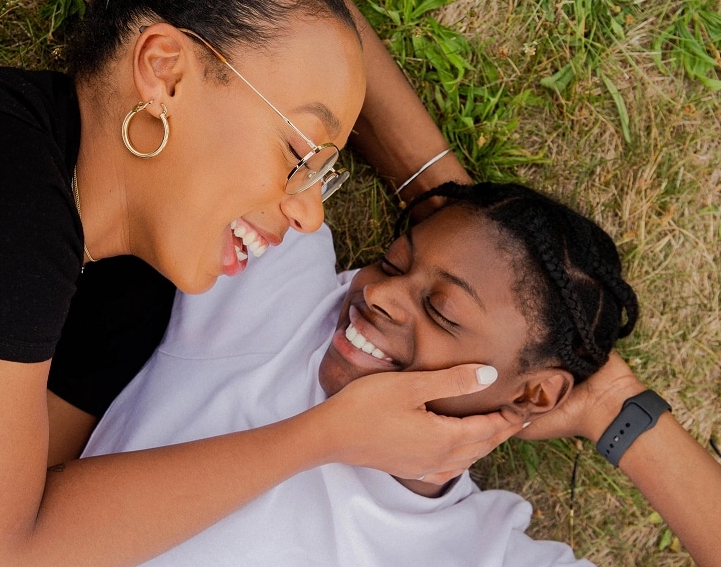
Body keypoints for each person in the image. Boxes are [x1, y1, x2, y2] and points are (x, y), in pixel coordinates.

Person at [0, 0, 519, 565]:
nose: (310, 214)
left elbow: (23, 522)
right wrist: (328, 436)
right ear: (165, 72)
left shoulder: (131, 295)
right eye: (299, 154)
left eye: (320, 178)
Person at [82, 181, 638, 566]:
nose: (379, 294)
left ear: (537, 393)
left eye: (442, 310)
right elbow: (275, 24)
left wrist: (614, 406)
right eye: (392, 262)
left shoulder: (476, 551)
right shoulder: (284, 294)